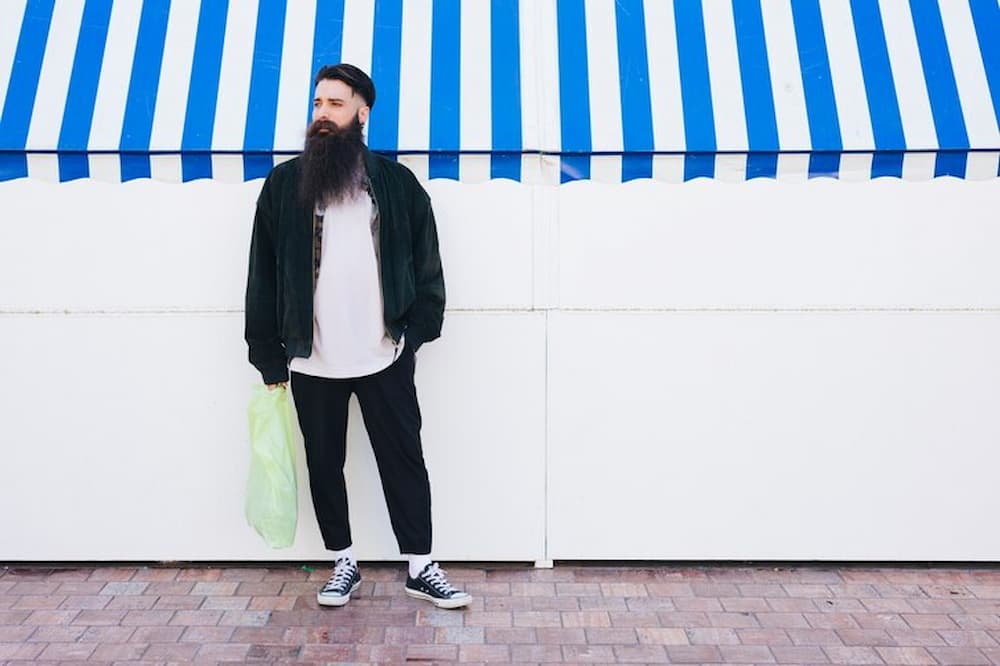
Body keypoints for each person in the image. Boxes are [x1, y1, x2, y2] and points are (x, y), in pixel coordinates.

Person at [244, 63, 470, 610]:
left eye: (335, 105)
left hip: (383, 353)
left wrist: (413, 335)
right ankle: (343, 561)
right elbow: (262, 276)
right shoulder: (283, 186)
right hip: (312, 358)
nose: (322, 115)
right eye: (318, 104)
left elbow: (428, 265)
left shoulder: (395, 185)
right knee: (325, 463)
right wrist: (268, 357)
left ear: (361, 113)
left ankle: (420, 565)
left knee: (404, 459)